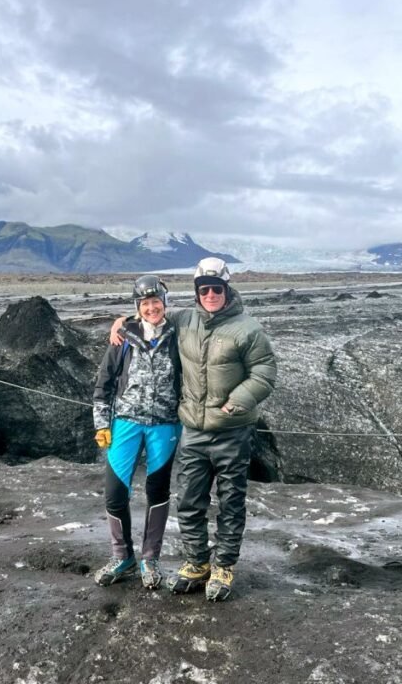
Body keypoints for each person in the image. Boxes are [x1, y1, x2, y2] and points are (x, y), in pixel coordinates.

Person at [111, 257, 276, 601]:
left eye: (217, 289)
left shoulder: (248, 328)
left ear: (227, 290)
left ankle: (224, 566)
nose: (211, 294)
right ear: (197, 292)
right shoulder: (185, 319)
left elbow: (264, 372)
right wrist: (122, 322)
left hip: (232, 430)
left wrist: (238, 400)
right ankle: (197, 563)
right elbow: (151, 313)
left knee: (231, 501)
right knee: (189, 500)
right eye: (205, 289)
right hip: (194, 431)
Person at [92, 274, 182, 589]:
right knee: (115, 495)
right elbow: (104, 383)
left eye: (156, 302)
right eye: (145, 303)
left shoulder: (178, 334)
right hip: (126, 423)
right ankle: (123, 557)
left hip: (165, 425)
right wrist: (102, 423)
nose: (152, 308)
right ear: (137, 307)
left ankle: (150, 560)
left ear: (165, 304)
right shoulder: (123, 337)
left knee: (157, 492)